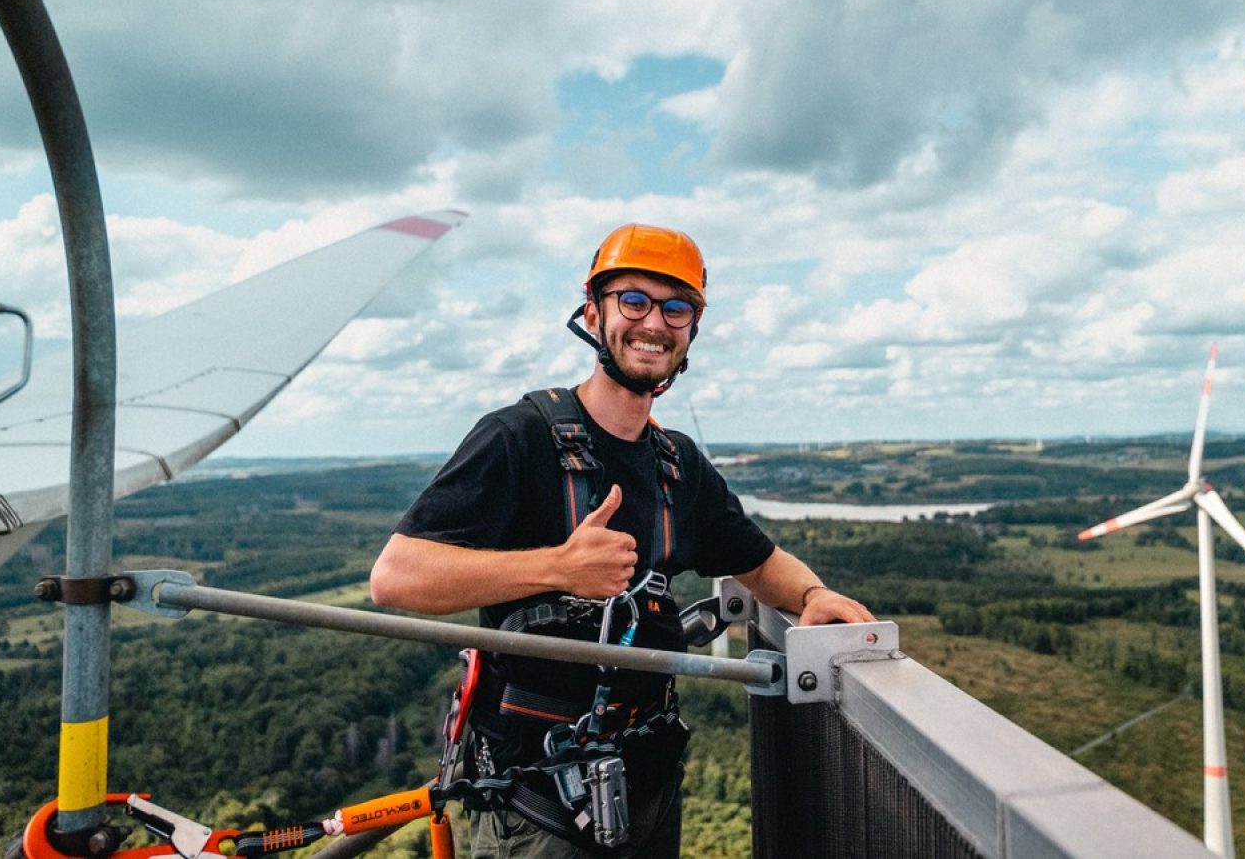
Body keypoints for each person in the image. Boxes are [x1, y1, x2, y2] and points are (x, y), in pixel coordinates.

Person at [369, 223, 873, 858]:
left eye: (676, 307)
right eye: (633, 300)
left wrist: (811, 595)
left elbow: (759, 560)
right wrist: (557, 567)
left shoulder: (677, 466)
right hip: (541, 801)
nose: (654, 322)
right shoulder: (518, 439)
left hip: (650, 785)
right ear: (593, 312)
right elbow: (396, 576)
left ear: (691, 329)